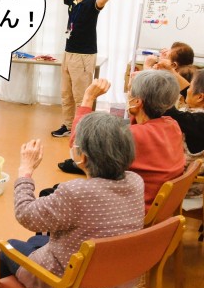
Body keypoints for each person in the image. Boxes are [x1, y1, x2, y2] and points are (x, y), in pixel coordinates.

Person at [0, 113, 144, 288]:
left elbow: (25, 213)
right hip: (117, 281)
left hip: (73, 287)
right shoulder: (136, 181)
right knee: (35, 240)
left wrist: (25, 171)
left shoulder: (75, 193)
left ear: (82, 157)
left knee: (6, 248)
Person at [32, 0, 125, 138]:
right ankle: (68, 126)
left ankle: (82, 129)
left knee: (81, 96)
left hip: (84, 56)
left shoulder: (92, 2)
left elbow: (101, 2)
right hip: (68, 52)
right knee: (66, 94)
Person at [70, 73, 184, 211]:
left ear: (137, 102)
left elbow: (78, 147)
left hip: (130, 209)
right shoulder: (172, 124)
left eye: (130, 92)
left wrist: (88, 98)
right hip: (159, 206)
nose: (127, 96)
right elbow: (135, 126)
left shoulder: (132, 135)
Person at [164, 68, 204, 196]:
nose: (187, 91)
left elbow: (172, 113)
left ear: (200, 97)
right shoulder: (196, 114)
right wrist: (169, 70)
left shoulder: (198, 121)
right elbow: (186, 90)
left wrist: (152, 85)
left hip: (185, 186)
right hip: (182, 180)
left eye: (190, 87)